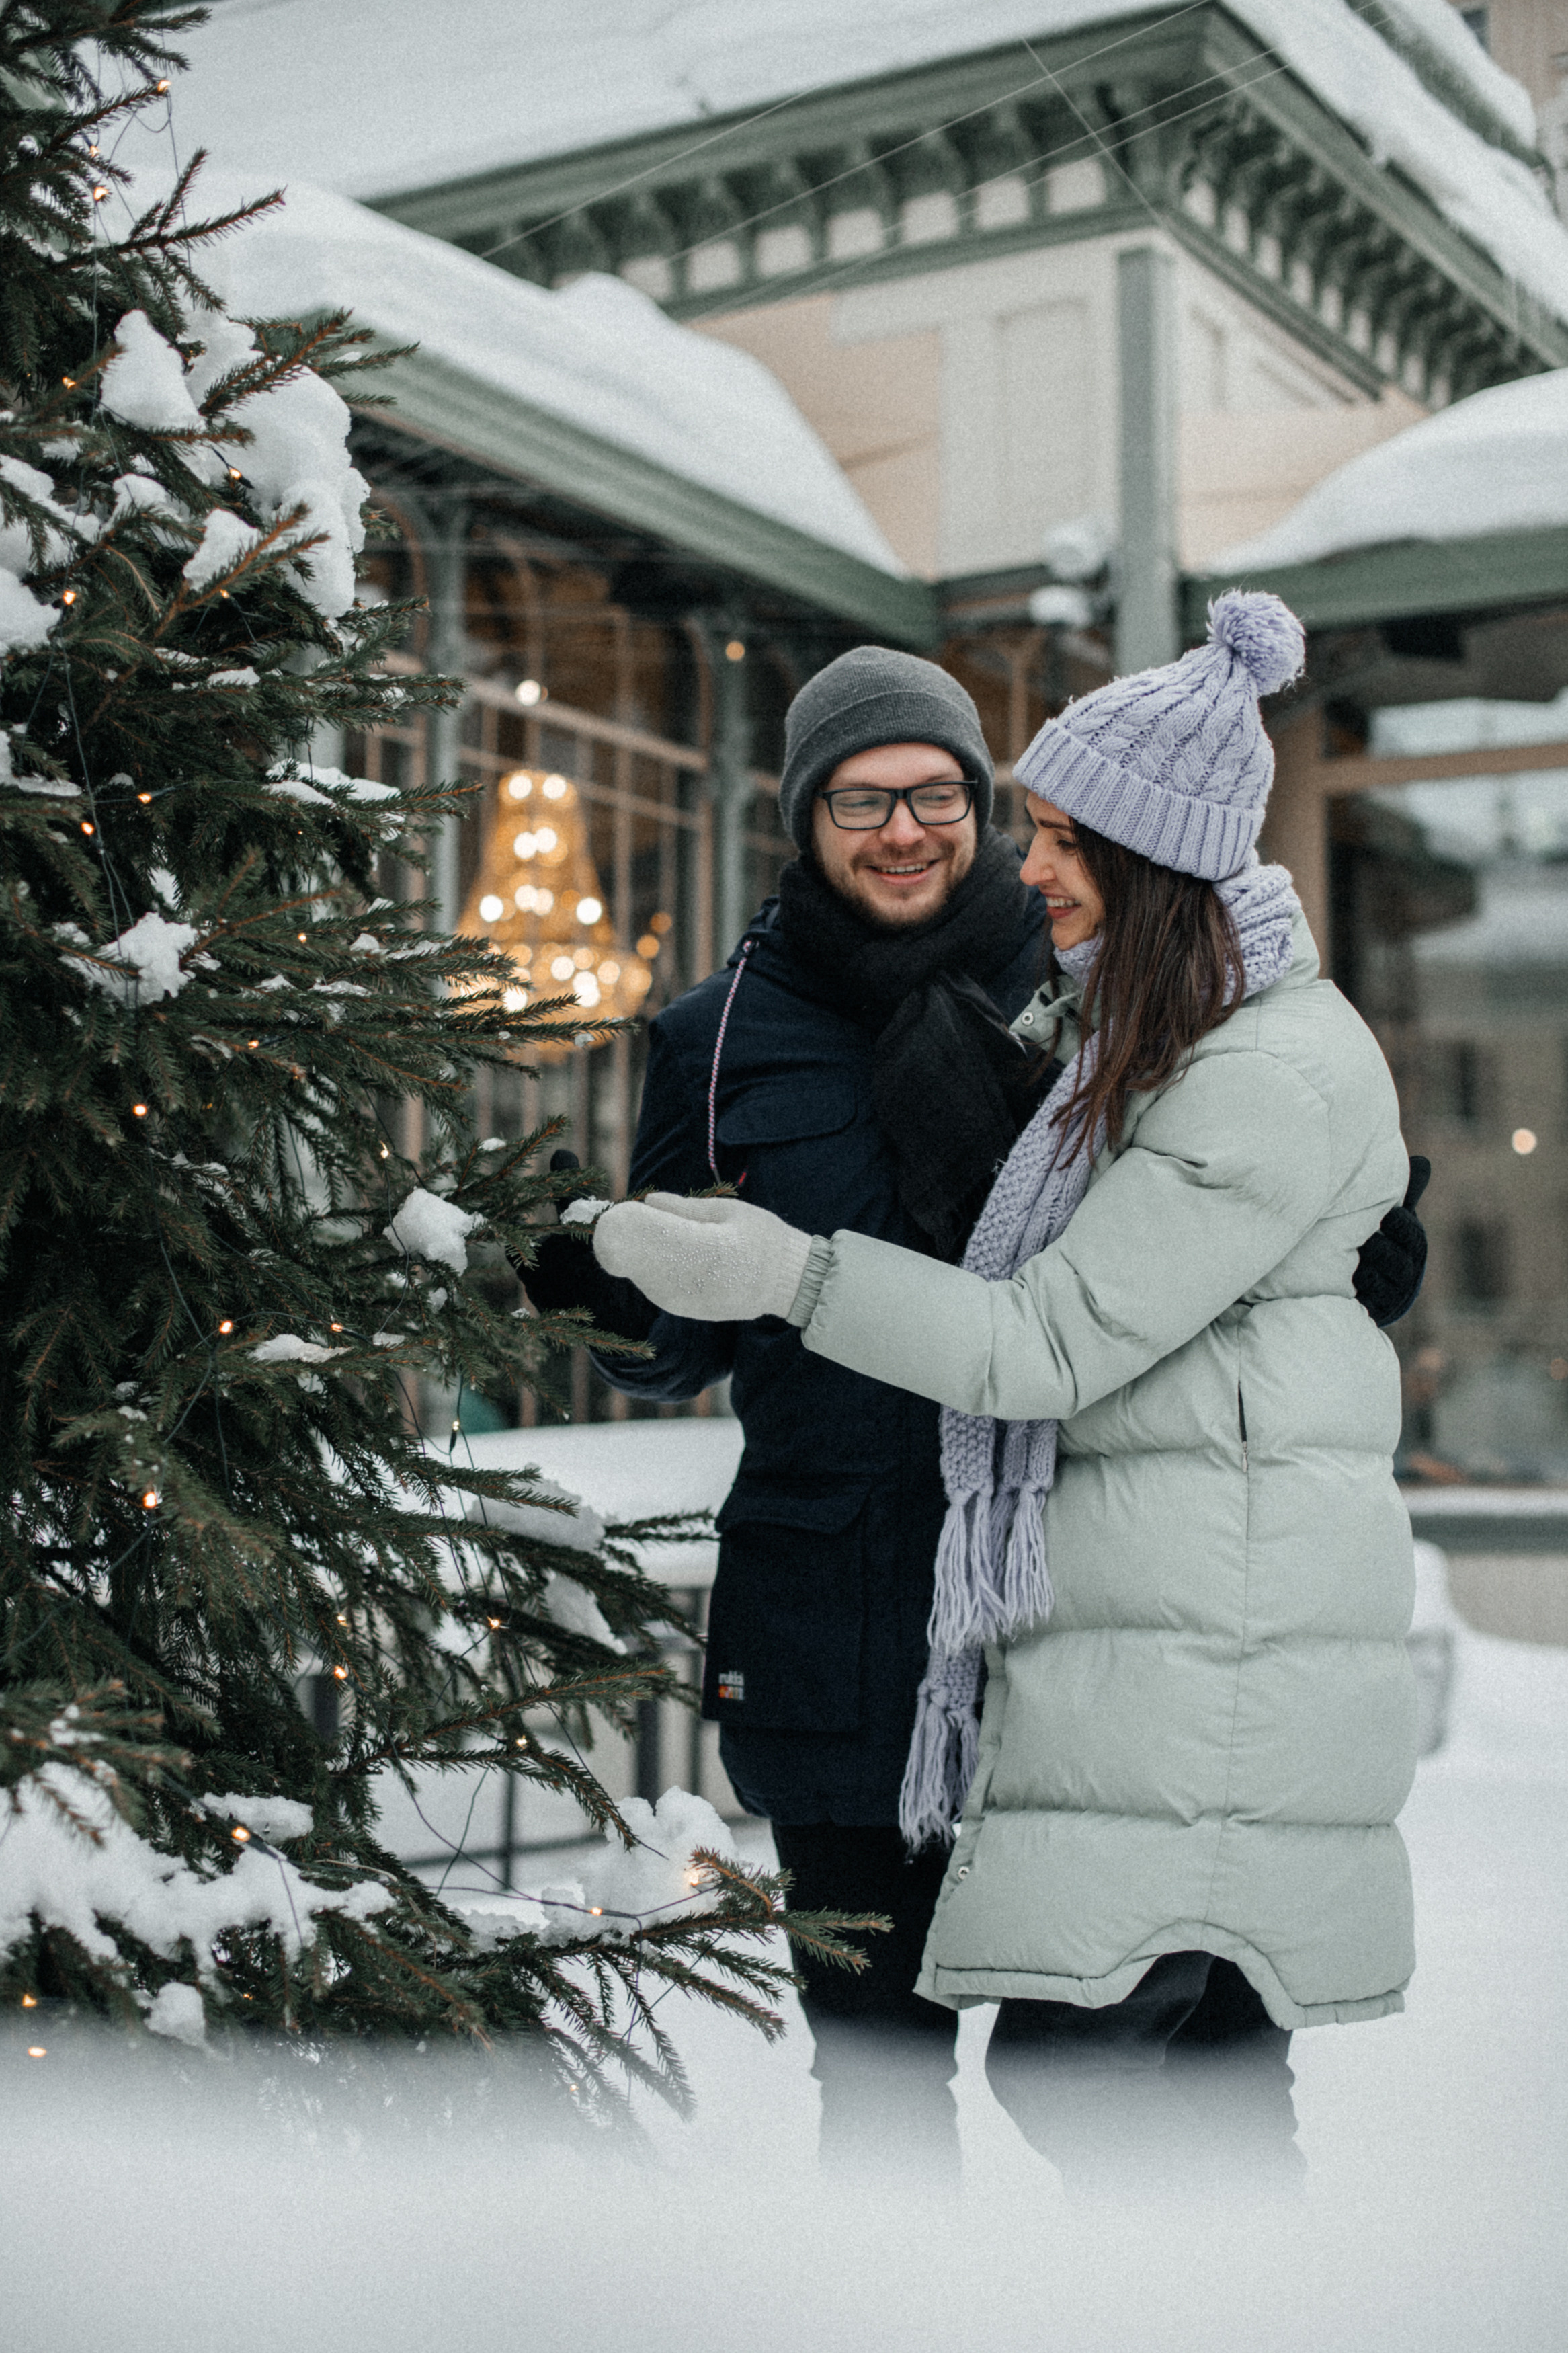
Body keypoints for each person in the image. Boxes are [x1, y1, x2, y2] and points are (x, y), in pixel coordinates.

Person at [588, 593, 1422, 2198]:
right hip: (844, 1618)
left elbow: (1166, 1255)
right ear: (802, 817)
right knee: (883, 2084)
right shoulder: (714, 1037)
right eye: (862, 799)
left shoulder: (1115, 992)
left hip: (1084, 1613)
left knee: (1152, 2056)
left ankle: (1222, 2296)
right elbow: (679, 1334)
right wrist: (621, 1301)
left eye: (941, 795)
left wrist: (1354, 1251)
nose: (909, 831)